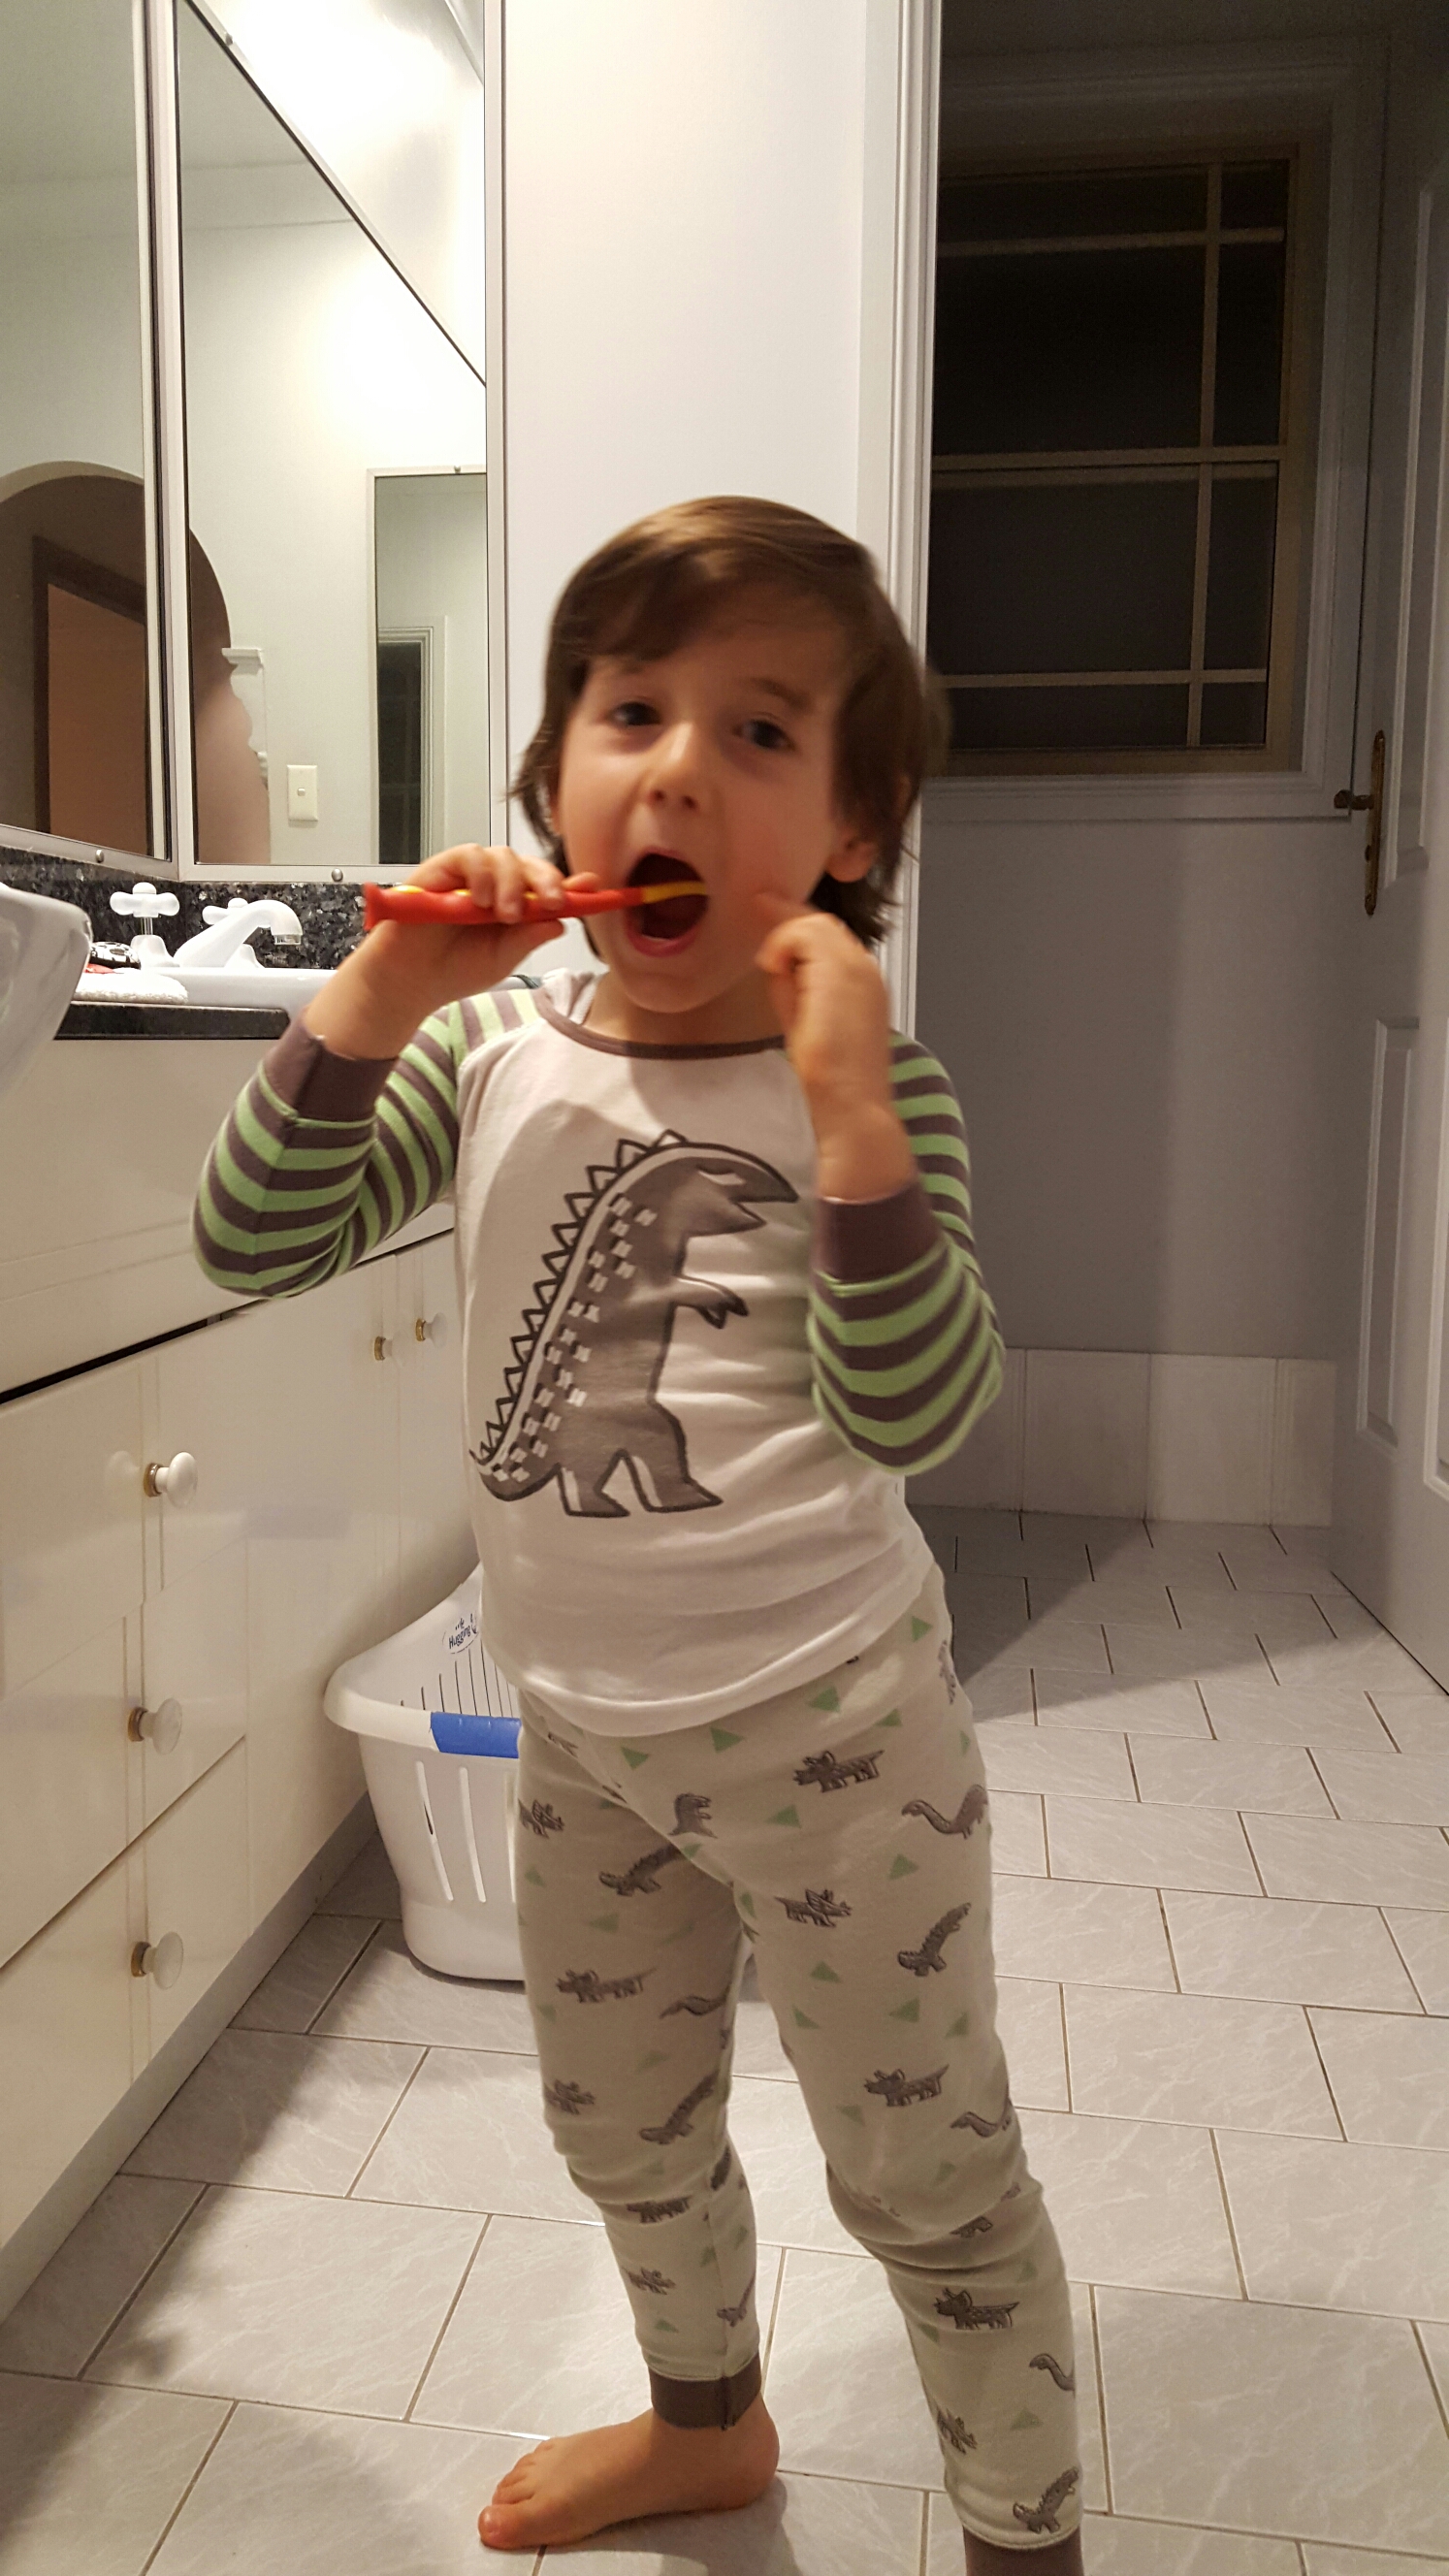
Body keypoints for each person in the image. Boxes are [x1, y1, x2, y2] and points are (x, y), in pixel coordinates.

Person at [193, 496, 1083, 2572]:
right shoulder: (489, 1049)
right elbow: (251, 1238)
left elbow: (918, 1411)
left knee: (928, 2177)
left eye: (758, 730)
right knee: (622, 2127)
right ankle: (710, 2427)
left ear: (852, 828)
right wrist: (379, 990)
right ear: (554, 774)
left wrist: (849, 1121)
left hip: (839, 1741)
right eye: (629, 712)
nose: (676, 767)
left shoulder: (878, 1090)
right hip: (578, 1736)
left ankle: (1024, 2539)